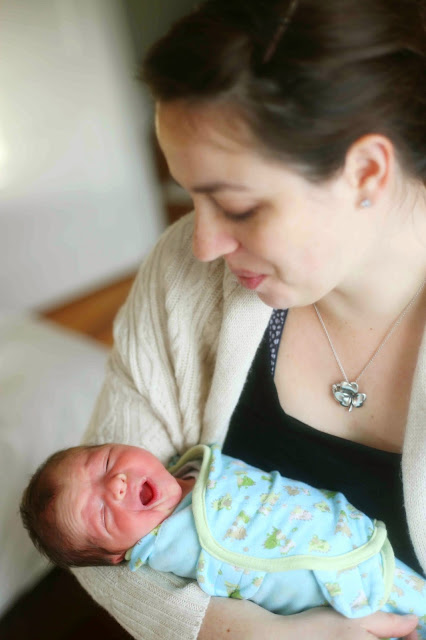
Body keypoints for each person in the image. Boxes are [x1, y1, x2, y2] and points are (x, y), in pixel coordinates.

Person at [71, 0, 426, 638]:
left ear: (366, 171)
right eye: (188, 195)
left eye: (237, 207)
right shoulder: (183, 275)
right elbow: (87, 534)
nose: (202, 243)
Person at [19, 441, 426, 638]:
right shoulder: (166, 546)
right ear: (118, 555)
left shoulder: (194, 467)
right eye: (104, 514)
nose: (116, 485)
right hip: (345, 591)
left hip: (358, 538)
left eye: (107, 461)